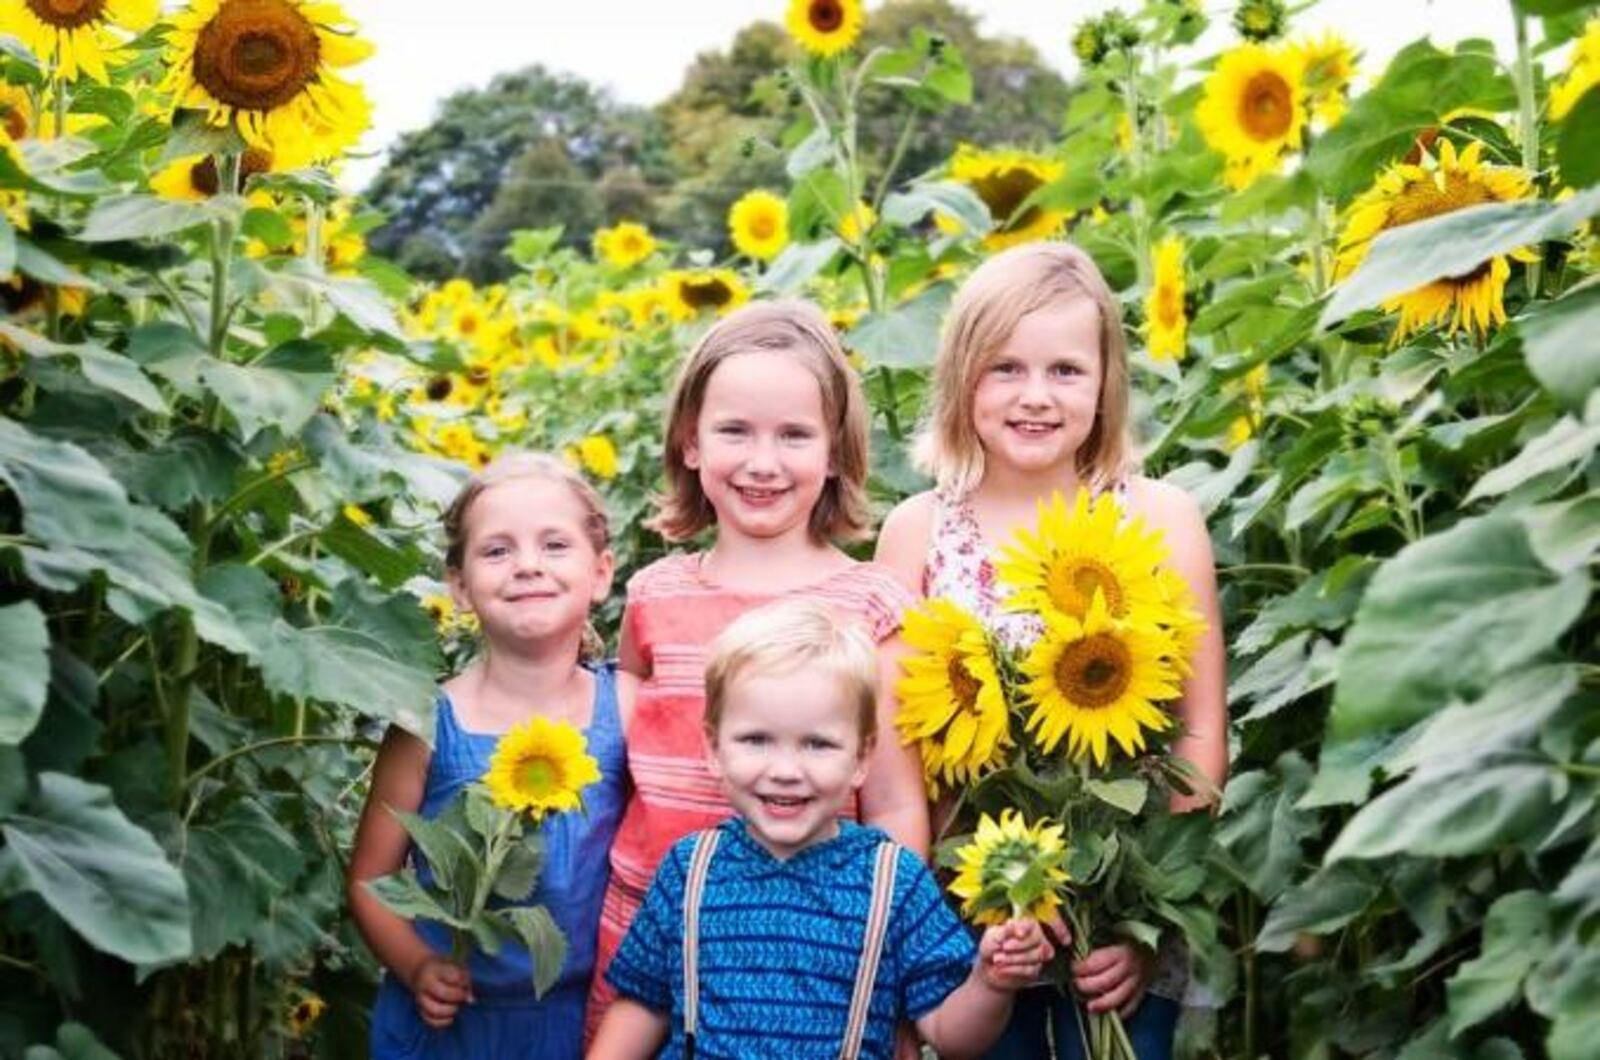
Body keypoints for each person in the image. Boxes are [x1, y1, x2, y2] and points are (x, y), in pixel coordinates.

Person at [874, 241, 1228, 1059]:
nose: (1035, 396)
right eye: (1005, 369)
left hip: (1120, 917)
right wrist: (911, 930)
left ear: (1107, 383)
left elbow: (1201, 733)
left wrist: (1140, 916)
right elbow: (893, 752)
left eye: (1066, 370)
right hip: (967, 924)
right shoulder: (917, 533)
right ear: (962, 378)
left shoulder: (1160, 520)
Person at [586, 300, 930, 1040]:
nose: (763, 461)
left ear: (835, 452)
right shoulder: (653, 596)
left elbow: (897, 806)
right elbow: (625, 776)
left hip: (808, 966)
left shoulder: (873, 610)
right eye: (735, 431)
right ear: (690, 442)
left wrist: (888, 974)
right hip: (649, 948)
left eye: (795, 435)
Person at [590, 600, 1052, 1059]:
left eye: (817, 743)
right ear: (713, 747)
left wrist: (989, 983)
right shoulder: (690, 869)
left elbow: (949, 1033)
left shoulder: (893, 881)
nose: (786, 770)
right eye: (756, 740)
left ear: (862, 757)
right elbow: (641, 1006)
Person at [349, 452, 629, 1059]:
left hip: (580, 1025)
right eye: (497, 551)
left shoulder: (626, 708)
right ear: (460, 586)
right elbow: (370, 879)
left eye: (555, 545)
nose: (527, 566)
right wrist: (418, 965)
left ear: (602, 572)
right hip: (447, 1025)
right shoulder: (426, 722)